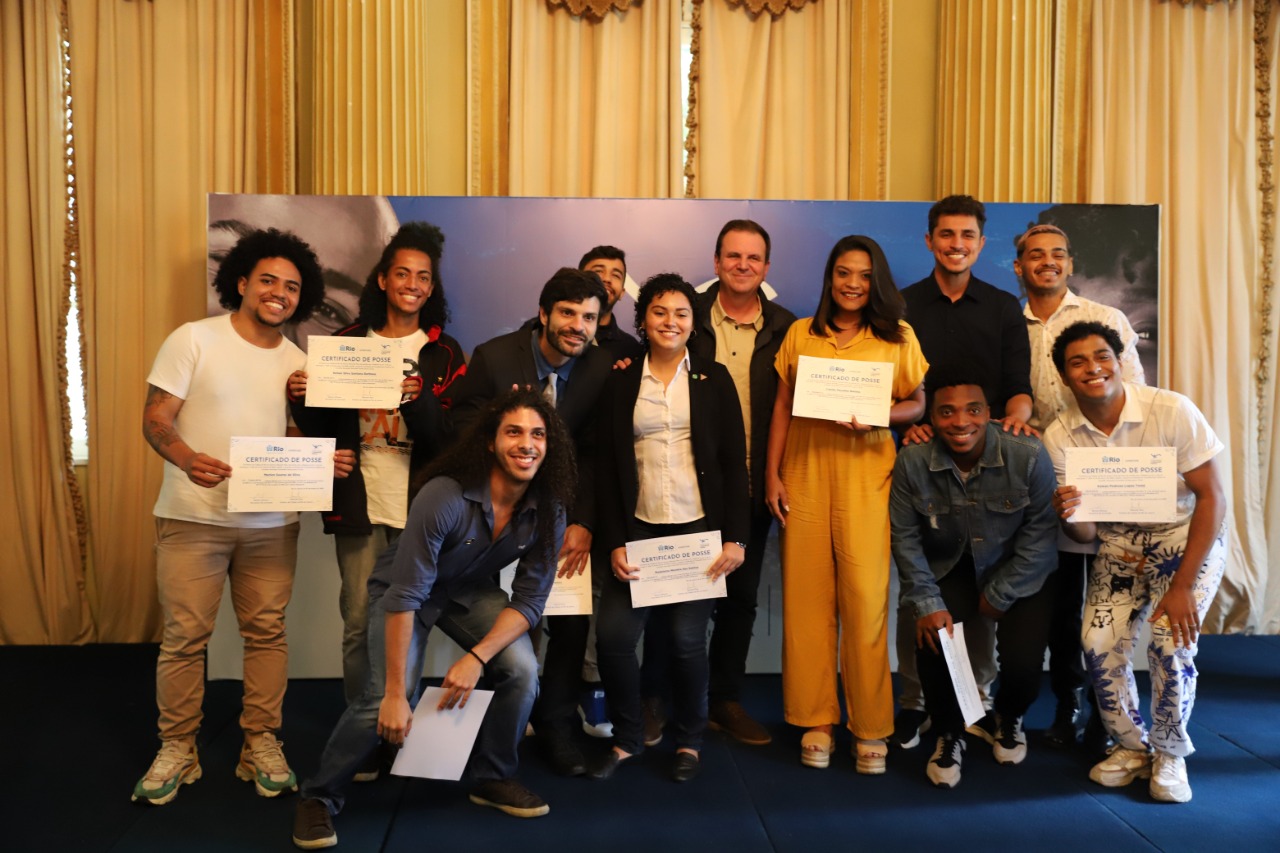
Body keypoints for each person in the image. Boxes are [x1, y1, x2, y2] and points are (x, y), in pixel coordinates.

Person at [290, 390, 576, 849]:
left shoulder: (551, 509)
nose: (527, 444)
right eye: (514, 432)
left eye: (538, 434)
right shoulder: (445, 494)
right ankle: (318, 796)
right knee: (383, 699)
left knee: (522, 672)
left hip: (468, 591)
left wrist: (477, 658)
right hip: (405, 591)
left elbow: (529, 601)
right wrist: (394, 695)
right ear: (491, 442)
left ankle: (492, 776)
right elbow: (407, 593)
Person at [133, 228, 354, 805]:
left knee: (267, 633)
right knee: (185, 637)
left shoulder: (301, 364)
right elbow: (156, 419)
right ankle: (177, 745)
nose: (279, 293)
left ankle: (261, 740)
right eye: (268, 281)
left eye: (292, 287)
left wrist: (323, 458)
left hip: (270, 525)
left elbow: (290, 437)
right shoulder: (194, 338)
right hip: (192, 517)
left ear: (302, 298)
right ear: (242, 282)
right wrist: (187, 460)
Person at [287, 223, 467, 732]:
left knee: (407, 621)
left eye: (423, 277)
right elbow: (320, 427)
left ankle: (398, 724)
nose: (413, 284)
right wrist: (300, 396)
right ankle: (361, 729)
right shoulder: (345, 343)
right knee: (357, 621)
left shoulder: (445, 353)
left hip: (419, 507)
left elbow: (450, 442)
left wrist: (420, 399)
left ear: (431, 288)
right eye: (402, 273)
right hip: (358, 502)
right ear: (384, 280)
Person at [1044, 321, 1226, 804]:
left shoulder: (1171, 410)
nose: (1093, 368)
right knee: (1097, 642)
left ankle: (1169, 752)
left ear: (1120, 360)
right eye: (1078, 362)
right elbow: (1085, 535)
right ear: (1063, 376)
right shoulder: (1059, 435)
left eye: (1102, 356)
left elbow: (1213, 497)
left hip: (1184, 536)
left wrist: (1183, 585)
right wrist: (1070, 515)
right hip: (1120, 543)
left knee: (1169, 641)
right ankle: (1131, 745)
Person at [764, 235, 927, 773]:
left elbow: (917, 402)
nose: (852, 284)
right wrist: (772, 476)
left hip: (867, 479)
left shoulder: (897, 335)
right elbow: (783, 407)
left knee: (865, 603)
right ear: (829, 277)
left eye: (863, 274)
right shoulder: (801, 333)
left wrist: (878, 414)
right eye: (842, 272)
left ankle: (871, 724)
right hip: (804, 476)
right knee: (807, 605)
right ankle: (816, 718)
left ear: (876, 280)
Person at [446, 268, 612, 777]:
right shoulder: (495, 357)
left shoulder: (600, 368)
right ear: (543, 314)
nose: (578, 326)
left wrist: (583, 520)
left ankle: (555, 722)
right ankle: (498, 721)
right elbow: (462, 432)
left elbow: (596, 452)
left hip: (563, 515)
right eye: (567, 313)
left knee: (569, 621)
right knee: (506, 620)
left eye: (589, 317)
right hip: (497, 518)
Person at [640, 219, 796, 749]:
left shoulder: (786, 327)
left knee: (740, 599)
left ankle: (723, 700)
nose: (742, 265)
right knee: (668, 596)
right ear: (716, 261)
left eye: (753, 258)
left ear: (766, 267)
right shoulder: (688, 314)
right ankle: (656, 698)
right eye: (733, 255)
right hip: (685, 483)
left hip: (753, 482)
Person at [589, 274, 750, 784]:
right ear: (643, 320)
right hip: (638, 529)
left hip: (696, 531)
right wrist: (614, 541)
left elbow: (733, 463)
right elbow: (606, 467)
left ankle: (690, 741)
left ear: (693, 322)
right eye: (659, 312)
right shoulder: (620, 381)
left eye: (681, 313)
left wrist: (736, 537)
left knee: (686, 642)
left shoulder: (712, 378)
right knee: (614, 639)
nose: (670, 322)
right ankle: (627, 738)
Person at [892, 194, 1034, 749]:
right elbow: (894, 387)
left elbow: (1018, 389)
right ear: (929, 240)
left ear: (981, 243)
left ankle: (979, 698)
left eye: (967, 235)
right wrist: (913, 424)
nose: (956, 244)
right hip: (922, 459)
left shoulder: (1002, 307)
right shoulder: (901, 306)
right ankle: (915, 701)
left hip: (988, 461)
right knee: (920, 585)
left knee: (981, 578)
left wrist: (1011, 422)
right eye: (946, 234)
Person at [890, 369, 1058, 788]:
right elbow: (905, 539)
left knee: (1023, 667)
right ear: (932, 417)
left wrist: (1002, 592)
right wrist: (928, 604)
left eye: (973, 410)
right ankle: (949, 732)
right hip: (953, 566)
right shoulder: (912, 459)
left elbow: (1041, 537)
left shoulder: (1028, 454)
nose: (960, 422)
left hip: (1019, 569)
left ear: (989, 414)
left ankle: (1009, 716)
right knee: (934, 641)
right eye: (946, 412)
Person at [1017, 223, 1146, 749]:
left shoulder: (1105, 319)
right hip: (1043, 475)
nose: (1047, 261)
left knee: (1111, 602)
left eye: (1057, 254)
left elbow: (1134, 395)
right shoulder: (1009, 324)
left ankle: (1105, 712)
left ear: (1070, 263)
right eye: (1035, 254)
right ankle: (1067, 702)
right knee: (1062, 604)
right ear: (1019, 266)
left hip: (1109, 471)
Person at [207, 194, 400, 349]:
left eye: (325, 310)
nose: (275, 312)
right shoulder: (194, 342)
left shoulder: (291, 359)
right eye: (224, 259)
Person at [580, 245, 644, 362]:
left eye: (615, 275)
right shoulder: (555, 332)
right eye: (598, 271)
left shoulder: (631, 349)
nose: (607, 279)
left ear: (622, 292)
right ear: (578, 281)